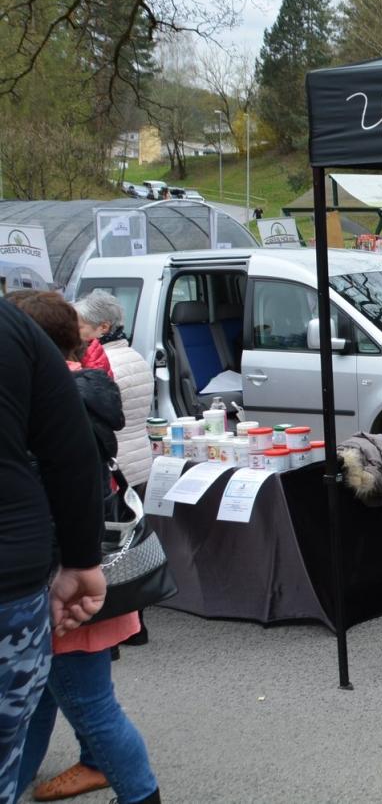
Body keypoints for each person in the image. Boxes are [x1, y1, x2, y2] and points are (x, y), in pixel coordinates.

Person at [8, 292, 161, 804]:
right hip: (88, 568)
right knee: (40, 698)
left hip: (63, 583)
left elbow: (49, 500)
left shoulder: (46, 405)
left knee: (91, 707)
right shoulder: (87, 387)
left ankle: (140, 795)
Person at [0, 299, 106, 804]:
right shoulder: (14, 331)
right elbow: (72, 456)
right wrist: (82, 560)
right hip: (15, 574)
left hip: (20, 569)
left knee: (89, 703)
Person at [75, 292, 152, 489]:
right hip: (141, 458)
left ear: (103, 327)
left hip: (117, 465)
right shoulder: (135, 356)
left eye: (80, 327)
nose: (74, 333)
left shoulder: (104, 365)